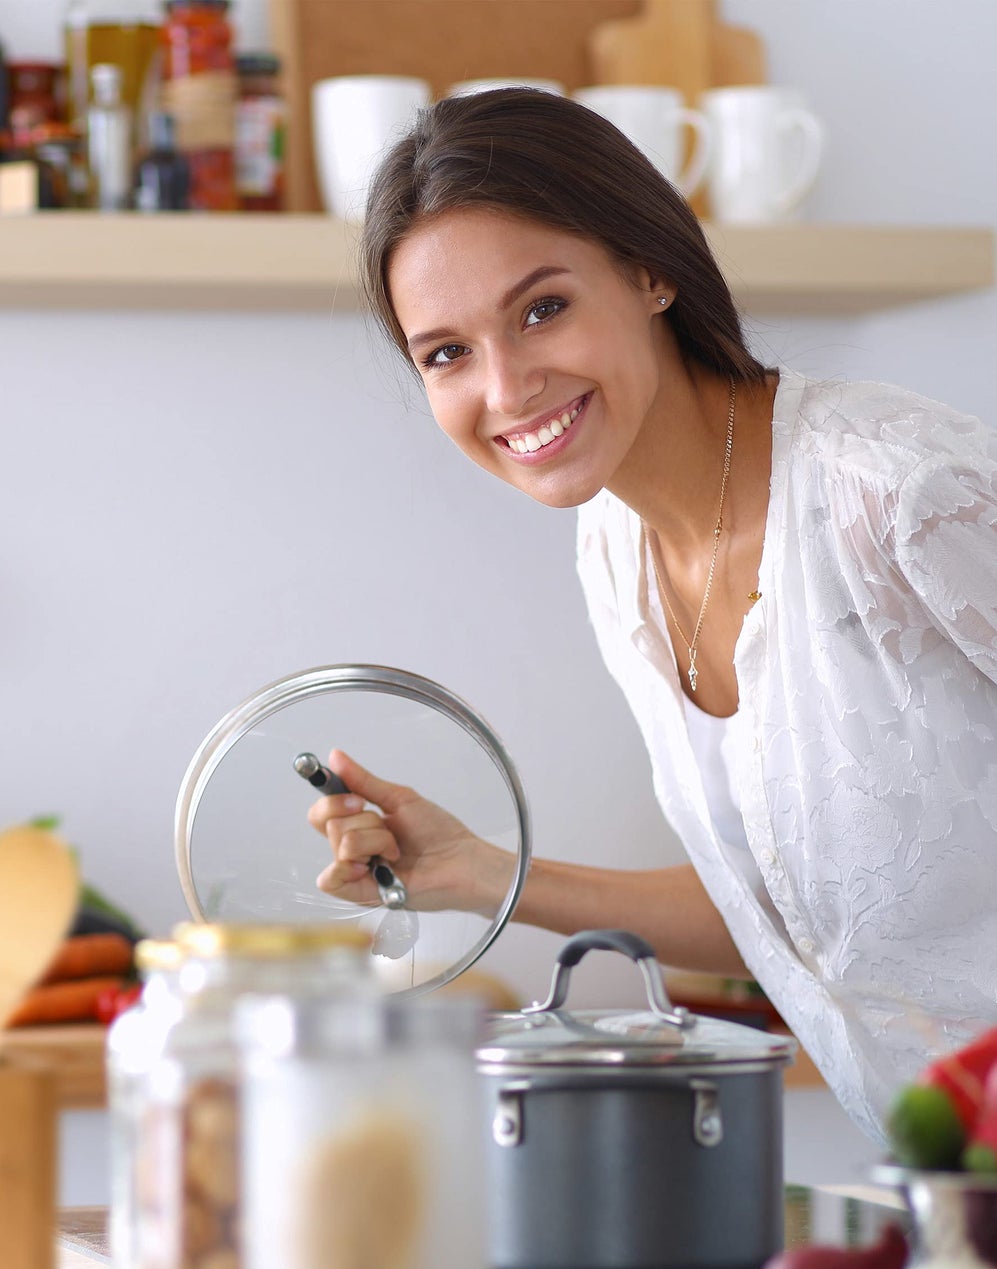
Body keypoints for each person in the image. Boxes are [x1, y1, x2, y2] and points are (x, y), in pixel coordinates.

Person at [306, 88, 997, 1143]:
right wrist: (478, 873)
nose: (506, 387)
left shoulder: (896, 491)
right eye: (445, 353)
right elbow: (792, 916)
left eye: (541, 308)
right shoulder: (615, 550)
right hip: (949, 1192)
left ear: (648, 269)